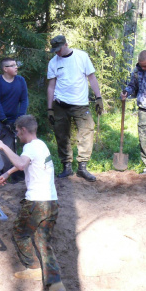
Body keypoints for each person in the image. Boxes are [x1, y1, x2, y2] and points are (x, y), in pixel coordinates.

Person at [0, 115, 65, 291]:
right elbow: (28, 163)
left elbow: (22, 163)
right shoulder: (41, 145)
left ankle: (33, 267)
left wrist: (2, 146)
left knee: (20, 232)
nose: (17, 134)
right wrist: (8, 173)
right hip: (52, 202)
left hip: (36, 202)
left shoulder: (29, 147)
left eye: (17, 131)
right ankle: (55, 283)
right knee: (43, 240)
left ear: (23, 130)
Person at [46, 35, 102, 182]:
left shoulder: (82, 57)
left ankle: (82, 167)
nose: (57, 53)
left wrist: (98, 97)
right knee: (62, 135)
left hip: (80, 104)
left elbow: (92, 78)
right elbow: (51, 86)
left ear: (66, 44)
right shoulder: (53, 62)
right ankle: (67, 167)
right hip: (60, 104)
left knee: (86, 132)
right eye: (55, 50)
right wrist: (50, 108)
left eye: (59, 49)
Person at [0, 57, 29, 184]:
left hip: (13, 119)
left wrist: (19, 118)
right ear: (5, 69)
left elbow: (24, 100)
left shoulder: (21, 81)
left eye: (16, 64)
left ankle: (5, 174)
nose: (16, 67)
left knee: (8, 146)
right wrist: (3, 119)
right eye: (13, 65)